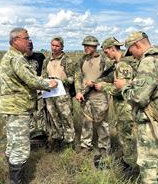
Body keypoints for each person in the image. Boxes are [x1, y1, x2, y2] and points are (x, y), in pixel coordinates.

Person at [114, 31, 158, 184]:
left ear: (137, 45)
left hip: (151, 125)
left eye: (131, 50)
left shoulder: (148, 62)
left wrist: (124, 87)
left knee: (150, 170)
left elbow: (139, 98)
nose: (132, 55)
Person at [0, 27, 58, 184]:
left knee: (13, 144)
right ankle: (17, 181)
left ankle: (12, 177)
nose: (29, 41)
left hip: (12, 107)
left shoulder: (10, 56)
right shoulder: (17, 59)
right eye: (26, 38)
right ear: (15, 40)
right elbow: (32, 80)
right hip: (18, 108)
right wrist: (50, 83)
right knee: (21, 148)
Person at [93, 37, 137, 173]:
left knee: (126, 136)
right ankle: (127, 159)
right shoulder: (118, 64)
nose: (106, 55)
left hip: (126, 106)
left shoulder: (122, 65)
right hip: (122, 106)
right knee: (123, 134)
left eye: (106, 52)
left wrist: (103, 87)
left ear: (113, 49)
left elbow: (122, 90)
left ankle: (130, 165)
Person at [75, 35, 111, 164]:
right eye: (84, 45)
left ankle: (104, 148)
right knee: (86, 121)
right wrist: (78, 91)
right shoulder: (82, 60)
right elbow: (77, 77)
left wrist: (96, 83)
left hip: (99, 95)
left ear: (95, 46)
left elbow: (110, 77)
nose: (86, 48)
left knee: (102, 122)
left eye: (88, 46)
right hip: (85, 95)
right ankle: (86, 145)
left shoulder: (104, 60)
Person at [41, 36, 75, 150]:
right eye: (53, 45)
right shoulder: (46, 60)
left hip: (63, 95)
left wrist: (61, 81)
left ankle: (69, 142)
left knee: (66, 118)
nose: (54, 48)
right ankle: (57, 139)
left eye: (57, 46)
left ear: (62, 47)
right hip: (50, 95)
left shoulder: (67, 60)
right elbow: (43, 76)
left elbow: (72, 78)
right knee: (53, 118)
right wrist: (47, 82)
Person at [24, 39, 48, 145]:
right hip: (27, 89)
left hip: (39, 88)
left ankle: (43, 133)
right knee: (29, 111)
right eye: (27, 46)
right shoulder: (21, 59)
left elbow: (45, 69)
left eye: (30, 46)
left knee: (41, 111)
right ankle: (31, 133)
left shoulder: (39, 56)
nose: (29, 48)